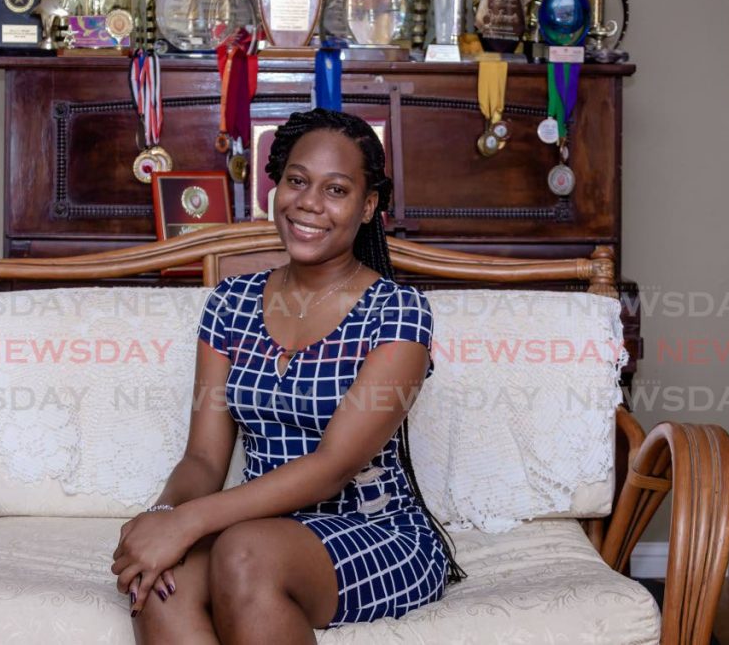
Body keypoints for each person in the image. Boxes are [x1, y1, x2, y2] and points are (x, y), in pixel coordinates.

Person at [111, 108, 464, 643]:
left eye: (336, 190)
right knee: (163, 579)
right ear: (276, 188)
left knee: (243, 553)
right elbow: (204, 459)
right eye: (297, 181)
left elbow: (332, 467)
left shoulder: (396, 312)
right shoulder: (230, 303)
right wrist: (163, 516)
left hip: (376, 530)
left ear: (368, 207)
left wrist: (189, 523)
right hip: (258, 529)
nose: (309, 203)